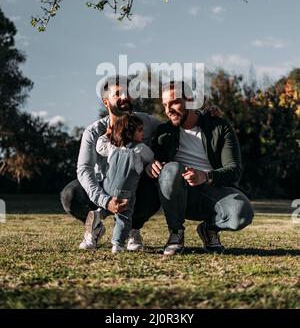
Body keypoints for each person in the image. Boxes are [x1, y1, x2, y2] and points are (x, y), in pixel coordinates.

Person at [144, 80, 254, 255]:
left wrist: (206, 176)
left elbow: (234, 169)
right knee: (171, 169)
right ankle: (176, 233)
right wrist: (150, 165)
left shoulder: (219, 126)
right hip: (180, 197)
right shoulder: (164, 132)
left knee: (242, 213)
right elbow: (156, 163)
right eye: (165, 105)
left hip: (213, 192)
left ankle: (209, 229)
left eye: (173, 102)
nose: (168, 110)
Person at [60, 75, 161, 251]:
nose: (125, 97)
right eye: (118, 94)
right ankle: (94, 225)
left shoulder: (147, 122)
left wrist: (203, 115)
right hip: (103, 188)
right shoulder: (93, 132)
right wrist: (106, 201)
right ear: (106, 102)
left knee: (154, 191)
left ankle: (132, 229)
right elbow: (84, 170)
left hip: (133, 188)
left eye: (128, 92)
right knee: (70, 195)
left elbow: (174, 127)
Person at [81, 113, 154, 253]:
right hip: (125, 192)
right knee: (123, 217)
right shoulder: (140, 149)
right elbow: (151, 157)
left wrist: (107, 134)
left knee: (106, 208)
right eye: (140, 130)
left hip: (107, 187)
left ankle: (97, 215)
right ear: (130, 132)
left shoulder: (113, 147)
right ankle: (117, 244)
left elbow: (99, 147)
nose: (143, 133)